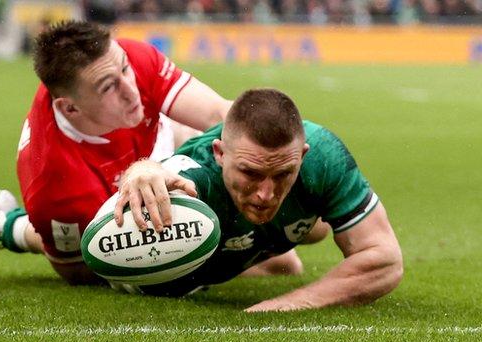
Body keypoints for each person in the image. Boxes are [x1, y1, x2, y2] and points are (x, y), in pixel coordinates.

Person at [0, 20, 250, 284]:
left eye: (125, 69)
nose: (131, 90)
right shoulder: (55, 186)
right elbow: (77, 266)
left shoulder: (128, 59)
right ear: (70, 108)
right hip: (93, 194)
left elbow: (220, 113)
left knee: (272, 255)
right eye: (108, 87)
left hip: (160, 140)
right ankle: (8, 224)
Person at [114, 88, 403, 311]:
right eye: (250, 173)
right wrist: (144, 169)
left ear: (301, 155)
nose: (266, 193)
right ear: (220, 153)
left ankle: (267, 234)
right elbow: (164, 174)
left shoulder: (323, 157)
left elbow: (385, 260)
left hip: (261, 227)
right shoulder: (196, 173)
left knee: (314, 235)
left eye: (282, 174)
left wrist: (293, 302)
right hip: (188, 248)